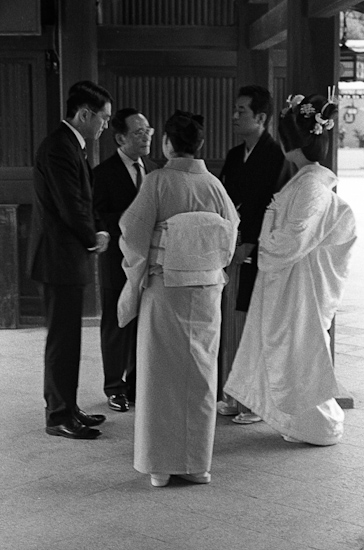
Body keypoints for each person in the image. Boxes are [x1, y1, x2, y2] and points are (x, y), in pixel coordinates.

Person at [224, 92, 357, 445]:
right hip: (289, 281)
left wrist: (264, 239)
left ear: (292, 141)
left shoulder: (312, 185)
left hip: (299, 284)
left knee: (299, 352)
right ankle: (297, 419)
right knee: (289, 352)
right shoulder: (305, 179)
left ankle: (318, 423)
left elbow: (292, 240)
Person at [117, 110, 239, 487]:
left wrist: (140, 270)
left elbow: (133, 233)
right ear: (200, 144)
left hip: (165, 289)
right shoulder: (215, 186)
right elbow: (229, 238)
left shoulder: (157, 182)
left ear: (168, 142)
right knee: (200, 376)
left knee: (160, 376)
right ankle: (197, 463)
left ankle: (161, 465)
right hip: (204, 292)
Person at [27, 80, 113, 439]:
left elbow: (82, 198)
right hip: (58, 257)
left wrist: (97, 229)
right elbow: (70, 203)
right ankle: (58, 415)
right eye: (103, 119)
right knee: (62, 341)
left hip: (65, 257)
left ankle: (67, 405)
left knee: (69, 339)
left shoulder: (69, 145)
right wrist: (92, 235)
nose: (105, 126)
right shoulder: (59, 147)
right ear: (84, 114)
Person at [218, 85, 289, 424]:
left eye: (241, 111)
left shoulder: (277, 158)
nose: (234, 115)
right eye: (234, 109)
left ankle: (256, 403)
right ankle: (234, 395)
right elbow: (224, 200)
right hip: (231, 247)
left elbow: (272, 209)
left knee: (252, 324)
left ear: (261, 118)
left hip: (258, 251)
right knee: (232, 322)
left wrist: (250, 241)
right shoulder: (234, 156)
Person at [93, 108, 157, 412]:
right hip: (117, 258)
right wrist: (134, 221)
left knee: (143, 321)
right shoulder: (102, 173)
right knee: (116, 321)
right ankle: (114, 386)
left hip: (149, 260)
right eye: (138, 132)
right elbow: (98, 215)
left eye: (148, 131)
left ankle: (135, 382)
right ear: (120, 137)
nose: (146, 136)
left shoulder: (156, 170)